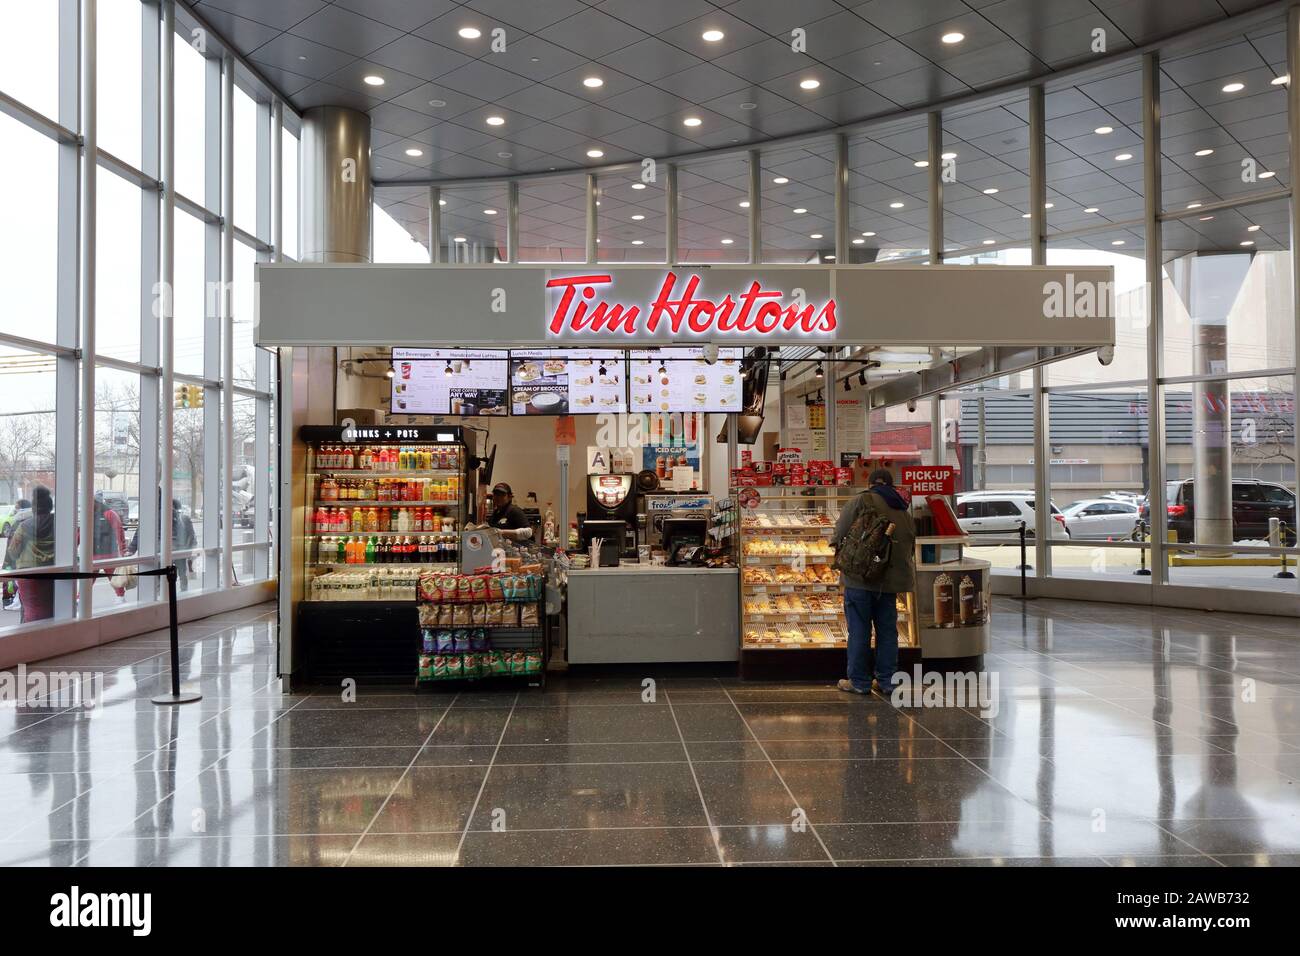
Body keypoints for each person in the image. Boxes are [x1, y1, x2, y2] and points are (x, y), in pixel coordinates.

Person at [831, 468, 916, 699]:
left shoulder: (861, 500)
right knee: (887, 631)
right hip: (889, 583)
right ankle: (887, 681)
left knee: (859, 630)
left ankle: (859, 681)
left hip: (860, 578)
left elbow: (839, 532)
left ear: (870, 484)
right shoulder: (902, 507)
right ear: (891, 485)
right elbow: (909, 543)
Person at [3, 486, 55, 623]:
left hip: (29, 574)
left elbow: (13, 551)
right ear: (50, 507)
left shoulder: (25, 526)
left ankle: (30, 639)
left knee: (31, 610)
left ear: (34, 508)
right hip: (56, 571)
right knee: (53, 609)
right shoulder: (59, 523)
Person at [127, 497, 198, 591]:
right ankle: (183, 591)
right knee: (182, 573)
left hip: (161, 549)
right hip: (178, 549)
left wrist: (131, 549)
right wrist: (190, 549)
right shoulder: (180, 516)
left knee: (161, 573)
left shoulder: (152, 515)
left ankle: (160, 593)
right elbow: (189, 533)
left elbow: (140, 532)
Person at [93, 495, 128, 602]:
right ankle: (79, 599)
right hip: (94, 554)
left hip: (108, 554)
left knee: (114, 578)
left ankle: (120, 597)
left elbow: (119, 532)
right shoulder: (89, 514)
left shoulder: (110, 513)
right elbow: (81, 533)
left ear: (96, 502)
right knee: (87, 579)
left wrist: (123, 551)